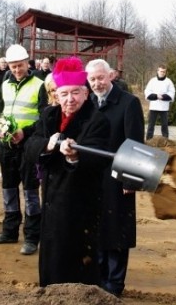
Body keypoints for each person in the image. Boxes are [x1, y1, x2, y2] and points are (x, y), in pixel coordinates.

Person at [25, 56, 111, 287]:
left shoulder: (96, 119)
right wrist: (50, 145)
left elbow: (99, 155)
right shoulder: (49, 116)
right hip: (52, 197)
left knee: (78, 257)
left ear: (85, 93)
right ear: (56, 95)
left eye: (75, 93)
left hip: (81, 200)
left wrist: (75, 156)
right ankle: (51, 293)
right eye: (64, 94)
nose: (69, 99)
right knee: (52, 252)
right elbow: (32, 144)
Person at [86, 59, 145, 297]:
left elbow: (135, 143)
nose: (97, 83)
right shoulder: (88, 102)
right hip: (92, 177)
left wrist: (131, 180)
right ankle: (98, 280)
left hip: (118, 177)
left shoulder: (128, 103)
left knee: (117, 230)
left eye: (101, 77)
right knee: (96, 228)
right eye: (92, 79)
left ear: (111, 76)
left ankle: (114, 284)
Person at [0, 44, 48, 256]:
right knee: (9, 190)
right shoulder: (5, 84)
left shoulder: (40, 85)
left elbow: (44, 119)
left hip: (28, 147)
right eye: (13, 66)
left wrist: (26, 132)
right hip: (6, 147)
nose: (17, 70)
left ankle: (31, 237)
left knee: (30, 192)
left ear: (27, 63)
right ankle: (9, 231)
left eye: (20, 66)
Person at [144, 65, 175, 140]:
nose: (162, 73)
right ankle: (148, 140)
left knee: (164, 125)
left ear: (165, 72)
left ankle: (165, 140)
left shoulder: (168, 82)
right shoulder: (152, 81)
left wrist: (163, 97)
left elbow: (172, 92)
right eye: (161, 71)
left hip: (164, 107)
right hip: (154, 106)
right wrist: (156, 96)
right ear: (158, 71)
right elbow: (147, 91)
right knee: (151, 125)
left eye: (164, 71)